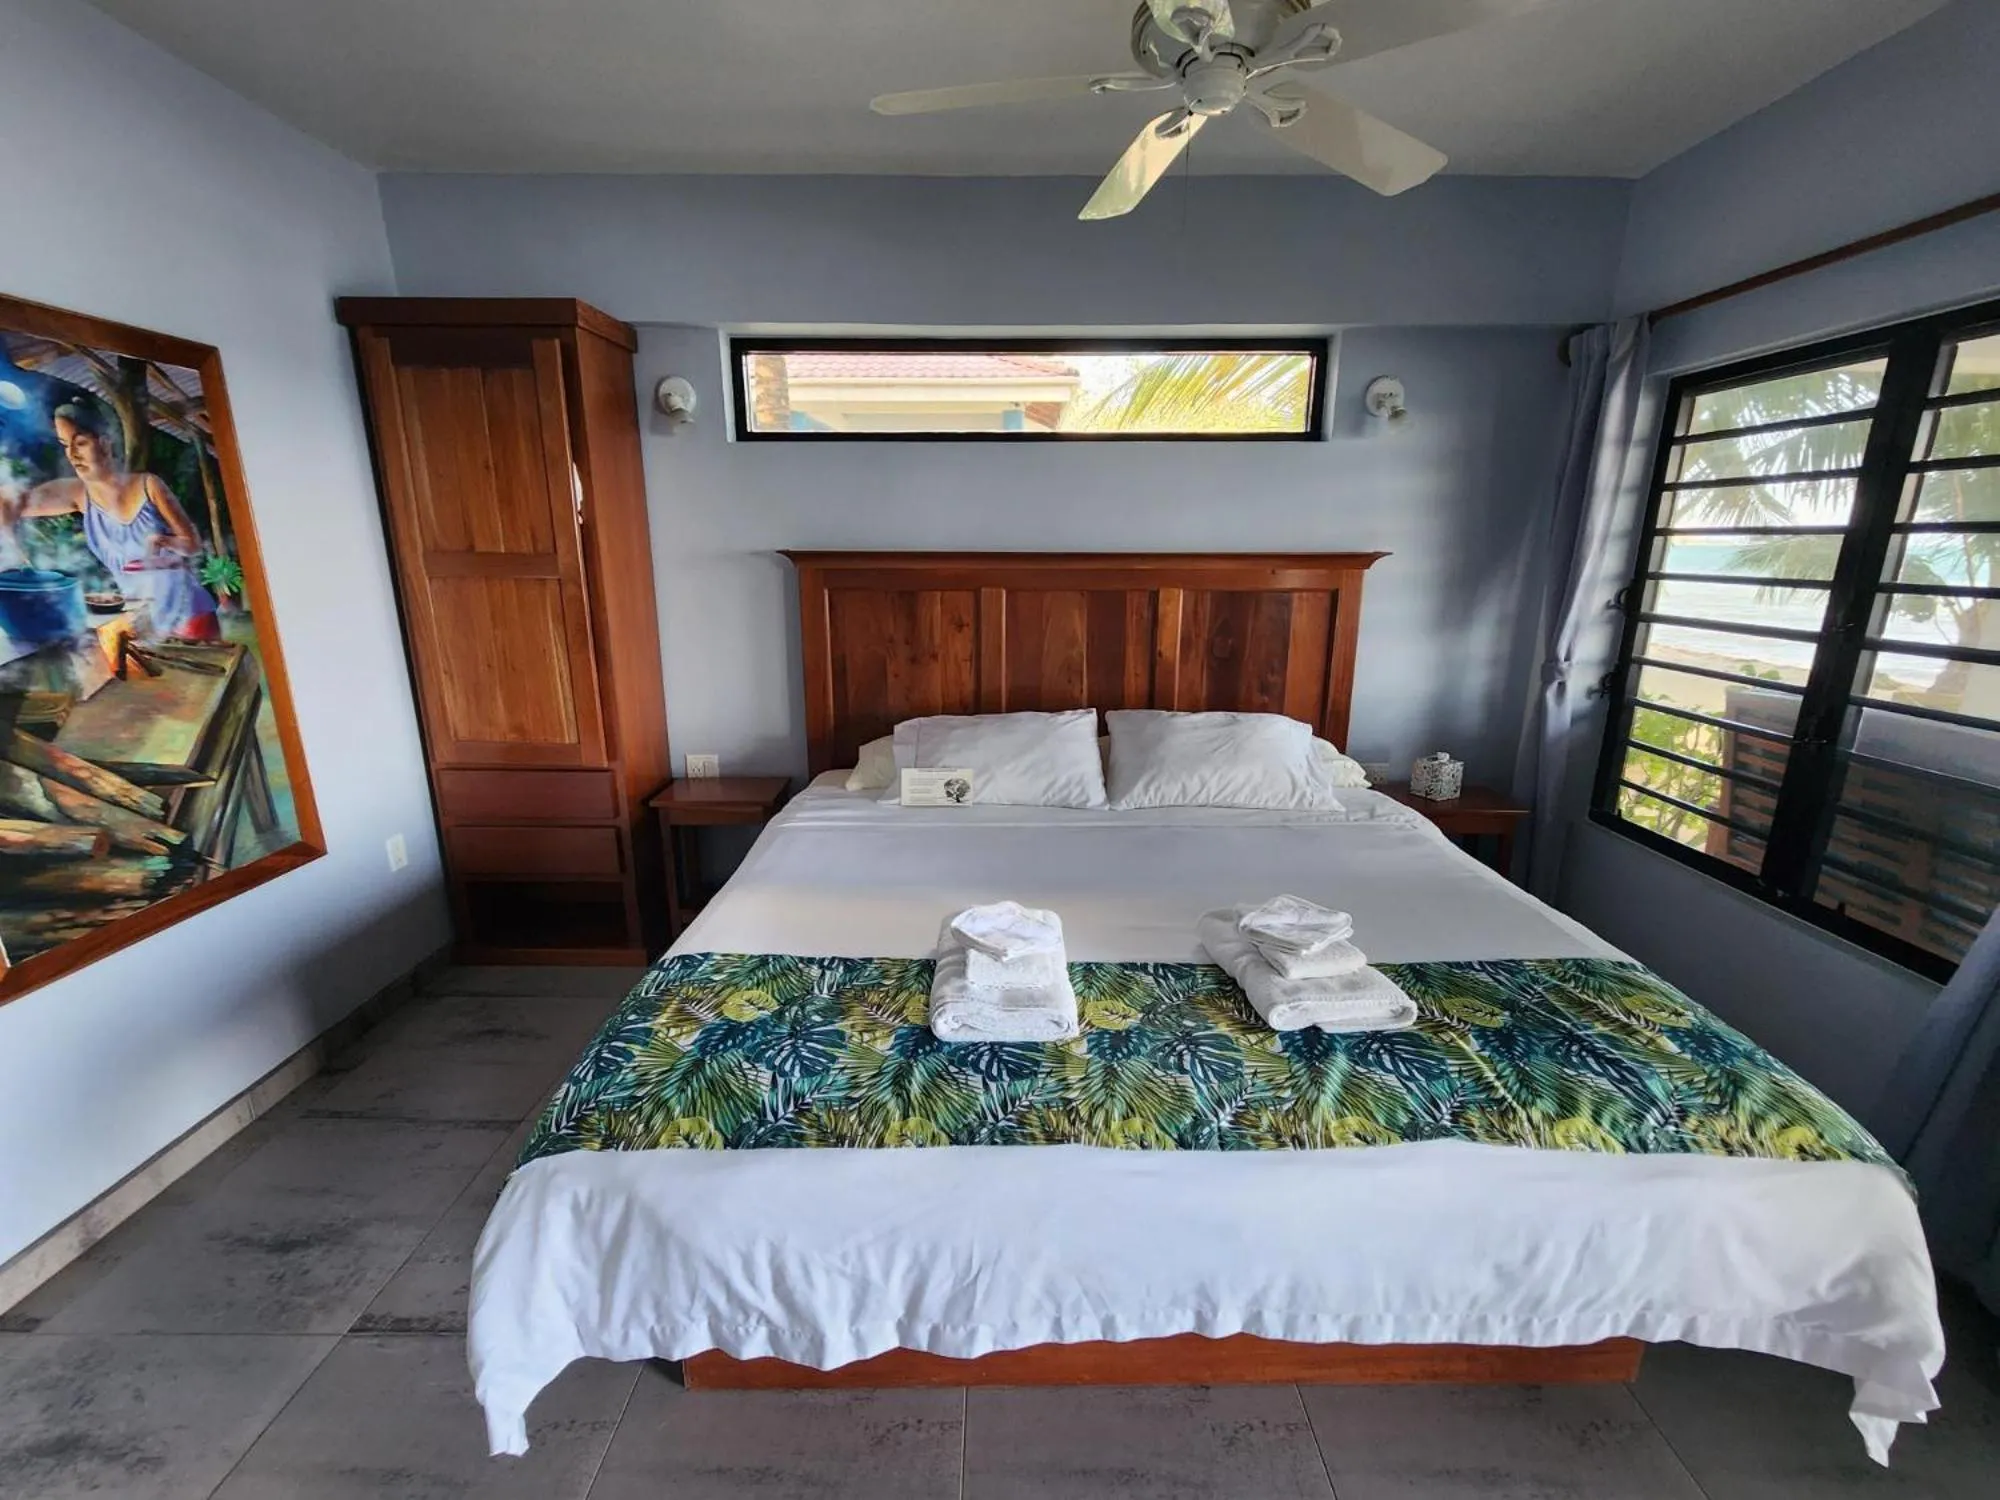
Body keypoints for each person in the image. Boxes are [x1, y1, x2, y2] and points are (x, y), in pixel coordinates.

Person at [10, 400, 219, 641]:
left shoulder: (148, 484)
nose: (72, 454)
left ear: (105, 442)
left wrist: (163, 541)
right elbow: (14, 504)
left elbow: (192, 544)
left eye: (80, 442)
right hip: (142, 620)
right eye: (65, 445)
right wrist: (13, 545)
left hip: (188, 614)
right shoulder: (78, 495)